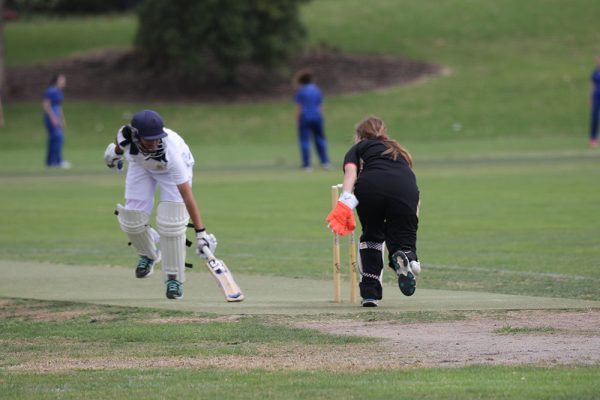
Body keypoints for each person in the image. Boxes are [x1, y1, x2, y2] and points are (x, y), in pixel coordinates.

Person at [103, 109, 217, 300]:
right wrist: (113, 157)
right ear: (136, 135)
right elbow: (117, 148)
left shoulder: (171, 152)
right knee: (132, 218)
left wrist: (201, 233)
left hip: (169, 171)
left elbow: (187, 196)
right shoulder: (125, 135)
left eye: (157, 138)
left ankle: (174, 280)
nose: (155, 143)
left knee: (172, 223)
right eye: (149, 139)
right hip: (141, 167)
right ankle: (149, 255)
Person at [326, 116, 421, 307]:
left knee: (372, 237)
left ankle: (370, 293)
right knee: (403, 234)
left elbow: (351, 173)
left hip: (371, 188)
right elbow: (411, 186)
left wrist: (345, 202)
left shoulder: (358, 148)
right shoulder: (398, 150)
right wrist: (411, 224)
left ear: (359, 135)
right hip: (405, 190)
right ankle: (407, 258)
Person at [294, 69, 331, 170]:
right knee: (320, 139)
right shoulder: (317, 90)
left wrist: (297, 120)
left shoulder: (301, 91)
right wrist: (321, 117)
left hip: (305, 118)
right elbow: (320, 106)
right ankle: (325, 162)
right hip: (317, 117)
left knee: (305, 141)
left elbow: (299, 107)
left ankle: (307, 165)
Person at [43, 73, 71, 168]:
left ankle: (50, 162)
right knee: (58, 138)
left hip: (56, 116)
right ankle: (57, 161)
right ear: (56, 81)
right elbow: (46, 105)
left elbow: (58, 107)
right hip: (51, 117)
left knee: (54, 139)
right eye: (62, 80)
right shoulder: (51, 90)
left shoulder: (59, 92)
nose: (64, 82)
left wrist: (62, 119)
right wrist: (53, 118)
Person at [589, 54, 600, 148]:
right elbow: (592, 86)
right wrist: (590, 98)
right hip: (596, 96)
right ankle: (593, 139)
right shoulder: (595, 72)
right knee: (595, 117)